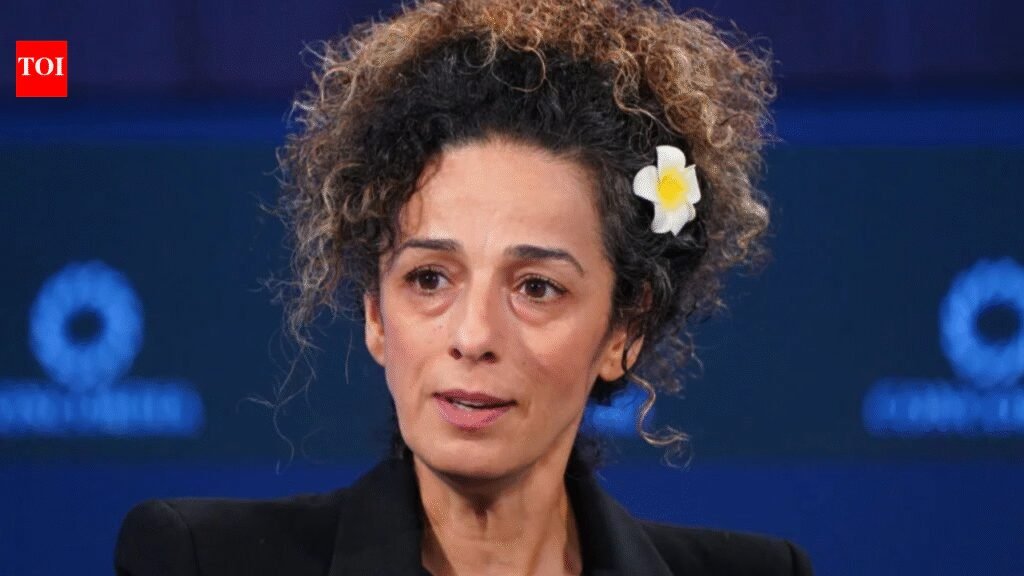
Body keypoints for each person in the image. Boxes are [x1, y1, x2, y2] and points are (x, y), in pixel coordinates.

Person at [115, 0, 813, 574]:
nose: (473, 335)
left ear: (624, 330)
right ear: (375, 312)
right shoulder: (203, 560)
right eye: (429, 278)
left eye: (536, 287)